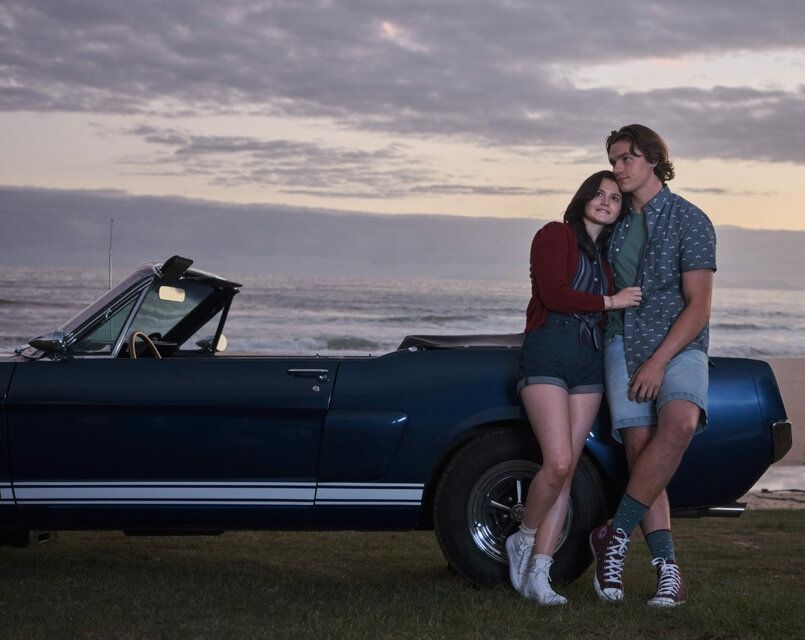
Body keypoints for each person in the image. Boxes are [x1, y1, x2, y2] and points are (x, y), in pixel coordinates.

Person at [589, 124, 717, 608]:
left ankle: (614, 535)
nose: (617, 168)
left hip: (678, 345)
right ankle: (668, 571)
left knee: (680, 423)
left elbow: (698, 305)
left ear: (653, 160)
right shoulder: (613, 220)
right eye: (613, 160)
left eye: (626, 158)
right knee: (642, 456)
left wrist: (659, 362)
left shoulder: (690, 219)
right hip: (622, 343)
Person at [506, 171, 642, 605]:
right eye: (598, 194)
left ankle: (540, 573)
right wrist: (612, 301)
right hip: (549, 350)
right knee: (559, 462)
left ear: (621, 210)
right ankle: (523, 538)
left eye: (615, 198)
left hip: (589, 360)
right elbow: (554, 294)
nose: (605, 202)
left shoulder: (607, 260)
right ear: (583, 198)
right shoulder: (555, 235)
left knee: (567, 474)